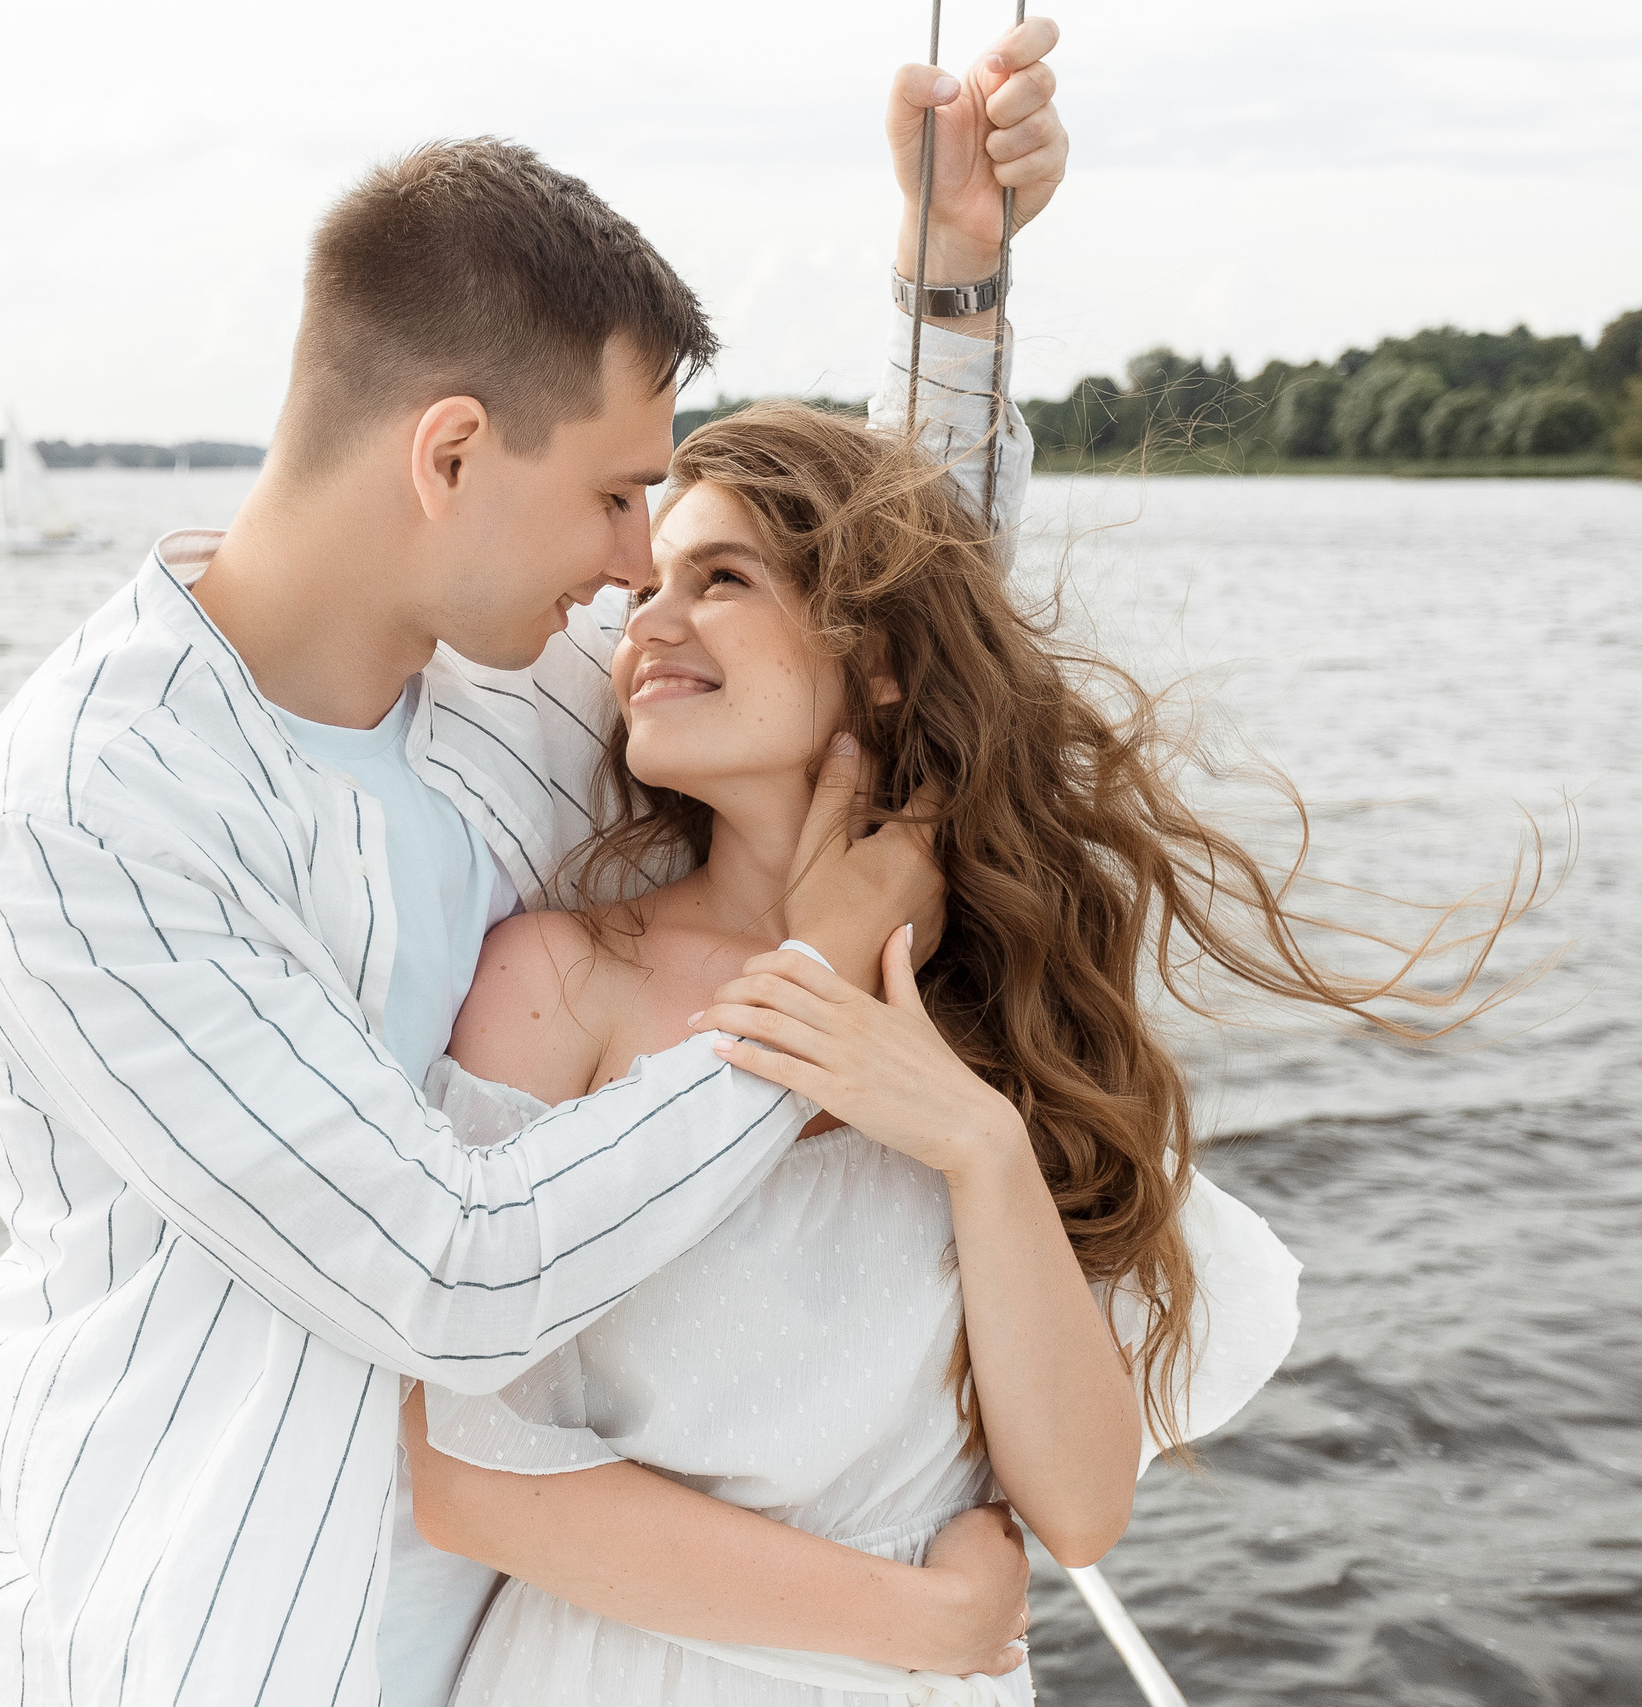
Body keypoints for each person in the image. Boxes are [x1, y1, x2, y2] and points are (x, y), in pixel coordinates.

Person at [0, 21, 1070, 1707]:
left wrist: (950, 292)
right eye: (623, 497)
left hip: (518, 1653)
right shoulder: (96, 815)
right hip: (219, 1659)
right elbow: (449, 1279)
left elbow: (871, 647)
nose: (640, 567)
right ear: (451, 453)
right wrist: (815, 989)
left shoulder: (515, 701)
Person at [403, 402, 1328, 1704]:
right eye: (647, 587)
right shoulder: (566, 980)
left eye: (719, 580)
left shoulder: (987, 1007)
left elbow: (1075, 1509)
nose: (646, 626)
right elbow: (466, 1481)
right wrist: (923, 1619)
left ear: (881, 659)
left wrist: (979, 1144)